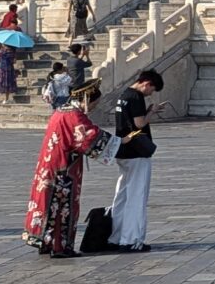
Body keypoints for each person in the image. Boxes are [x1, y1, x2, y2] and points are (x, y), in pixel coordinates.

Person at [25, 79, 104, 257]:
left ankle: (45, 242)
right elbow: (89, 137)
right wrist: (118, 143)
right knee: (61, 205)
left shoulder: (60, 111)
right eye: (94, 103)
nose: (93, 107)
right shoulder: (75, 115)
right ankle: (59, 246)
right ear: (86, 99)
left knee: (47, 201)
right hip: (64, 168)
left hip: (49, 164)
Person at [108, 68, 163, 251]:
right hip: (137, 150)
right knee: (137, 195)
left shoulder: (124, 94)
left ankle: (115, 236)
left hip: (122, 150)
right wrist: (152, 112)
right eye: (152, 90)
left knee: (122, 195)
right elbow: (139, 124)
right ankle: (132, 239)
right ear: (146, 83)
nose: (150, 94)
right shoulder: (136, 96)